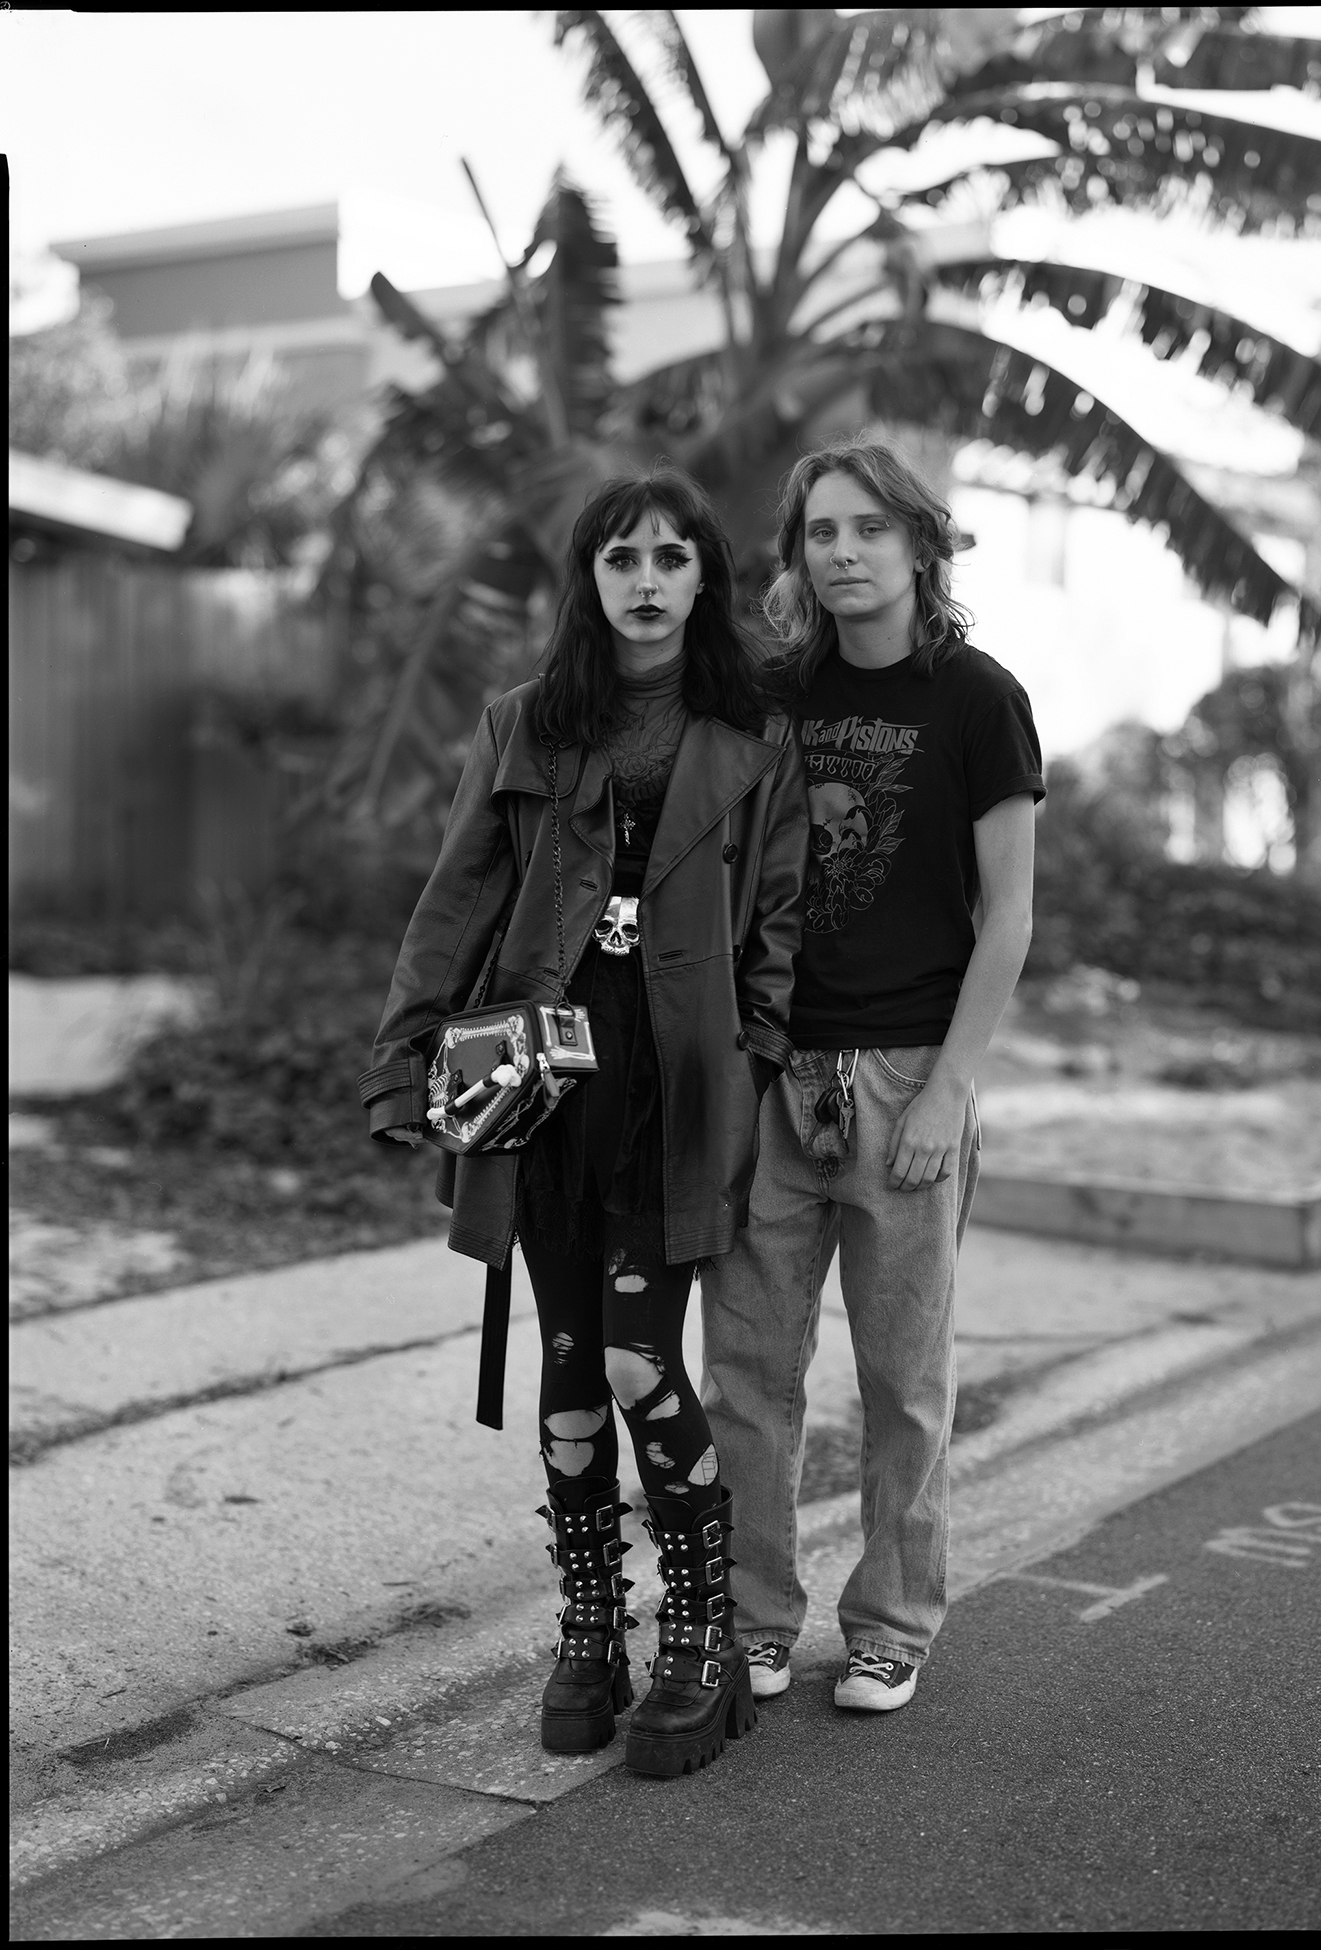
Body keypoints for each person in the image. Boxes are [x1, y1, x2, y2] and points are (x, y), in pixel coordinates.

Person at [359, 468, 809, 1775]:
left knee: (632, 1358)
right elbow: (454, 905)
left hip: (676, 1091)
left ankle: (701, 1634)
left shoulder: (750, 734)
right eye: (624, 559)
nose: (650, 580)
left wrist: (757, 1061)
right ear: (592, 579)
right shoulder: (523, 725)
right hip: (539, 1084)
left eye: (674, 557)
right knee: (567, 1377)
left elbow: (775, 928)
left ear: (704, 579)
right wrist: (405, 1069)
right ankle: (591, 1626)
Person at [701, 437, 1044, 1714]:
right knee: (747, 1374)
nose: (841, 553)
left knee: (903, 1381)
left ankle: (893, 1622)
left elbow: (1007, 917)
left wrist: (952, 1090)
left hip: (908, 1075)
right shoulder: (773, 692)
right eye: (820, 533)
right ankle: (752, 1616)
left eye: (867, 531)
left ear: (919, 544)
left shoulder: (977, 698)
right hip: (771, 1072)